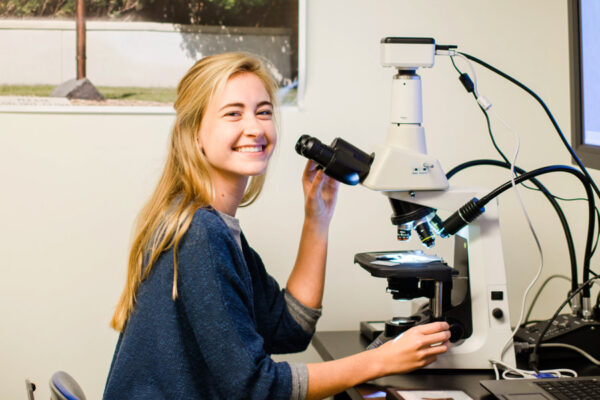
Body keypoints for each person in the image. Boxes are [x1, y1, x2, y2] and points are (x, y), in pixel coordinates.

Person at [103, 52, 451, 400]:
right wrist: (378, 361)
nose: (255, 128)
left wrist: (318, 218)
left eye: (264, 111)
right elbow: (255, 388)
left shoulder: (209, 224)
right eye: (233, 113)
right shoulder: (200, 234)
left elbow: (289, 329)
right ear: (194, 133)